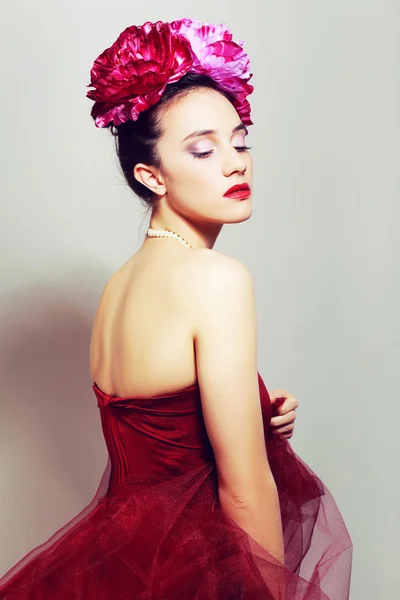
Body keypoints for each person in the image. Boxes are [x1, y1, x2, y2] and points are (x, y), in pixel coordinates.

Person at [0, 18, 352, 600]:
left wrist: (255, 413)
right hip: (192, 568)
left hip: (122, 563)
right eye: (203, 149)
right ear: (150, 174)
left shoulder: (121, 286)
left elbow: (159, 433)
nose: (235, 163)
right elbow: (242, 490)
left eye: (239, 141)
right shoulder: (215, 279)